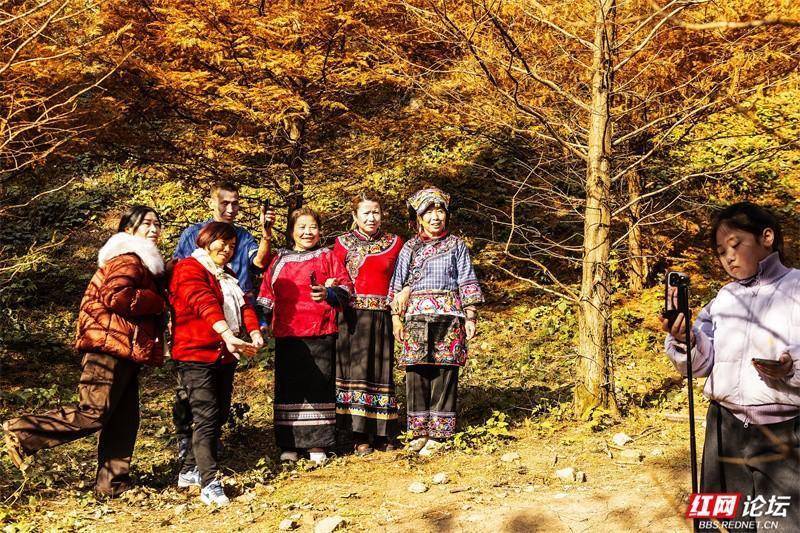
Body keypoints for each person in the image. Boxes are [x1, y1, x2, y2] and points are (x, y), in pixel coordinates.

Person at [3, 206, 167, 497]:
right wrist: (159, 302)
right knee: (92, 413)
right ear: (128, 229)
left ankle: (112, 486)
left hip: (123, 349)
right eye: (146, 224)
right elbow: (117, 296)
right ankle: (22, 432)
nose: (154, 229)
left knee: (123, 421)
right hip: (109, 348)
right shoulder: (128, 257)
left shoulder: (142, 263)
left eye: (157, 224)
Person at [662, 202, 800, 531]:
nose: (728, 257)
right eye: (721, 252)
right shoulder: (723, 299)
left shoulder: (797, 288)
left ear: (767, 237)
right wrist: (686, 340)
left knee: (782, 524)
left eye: (735, 245)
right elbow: (702, 364)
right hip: (724, 429)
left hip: (784, 433)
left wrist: (791, 366)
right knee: (727, 523)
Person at [171, 181, 275, 460]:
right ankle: (187, 443)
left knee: (219, 389)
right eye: (224, 202)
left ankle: (208, 442)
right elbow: (181, 273)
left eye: (235, 203)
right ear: (211, 203)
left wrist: (266, 234)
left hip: (234, 313)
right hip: (197, 321)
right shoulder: (193, 234)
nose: (230, 208)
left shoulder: (243, 236)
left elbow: (259, 263)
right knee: (190, 389)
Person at [169, 221, 262, 506]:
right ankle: (210, 482)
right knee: (206, 415)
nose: (227, 249)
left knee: (219, 413)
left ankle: (188, 471)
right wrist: (226, 333)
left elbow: (244, 305)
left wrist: (254, 332)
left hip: (224, 354)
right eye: (222, 242)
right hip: (195, 354)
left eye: (233, 245)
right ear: (206, 241)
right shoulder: (189, 268)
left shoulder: (228, 275)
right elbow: (203, 302)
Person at [388, 186, 484, 456]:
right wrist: (396, 319)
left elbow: (466, 280)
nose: (435, 217)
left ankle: (440, 434)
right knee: (416, 373)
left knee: (445, 372)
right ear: (419, 218)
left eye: (440, 211)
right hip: (415, 317)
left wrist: (471, 315)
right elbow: (396, 285)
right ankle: (419, 432)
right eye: (428, 212)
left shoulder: (457, 245)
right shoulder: (409, 248)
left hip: (449, 317)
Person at [257, 207, 352, 466]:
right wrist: (262, 323)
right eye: (301, 227)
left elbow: (346, 289)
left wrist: (329, 294)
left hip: (320, 330)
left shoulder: (327, 257)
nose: (308, 232)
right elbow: (266, 294)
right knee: (289, 388)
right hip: (288, 334)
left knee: (318, 386)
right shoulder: (279, 260)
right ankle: (289, 444)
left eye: (313, 227)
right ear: (291, 232)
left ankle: (317, 443)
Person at [332, 191, 404, 455]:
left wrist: (398, 310)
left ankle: (383, 432)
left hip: (382, 316)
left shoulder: (395, 243)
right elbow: (335, 279)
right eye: (366, 212)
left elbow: (402, 278)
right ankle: (358, 434)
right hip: (350, 318)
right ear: (355, 215)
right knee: (355, 375)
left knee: (381, 373)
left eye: (376, 212)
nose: (371, 217)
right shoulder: (341, 244)